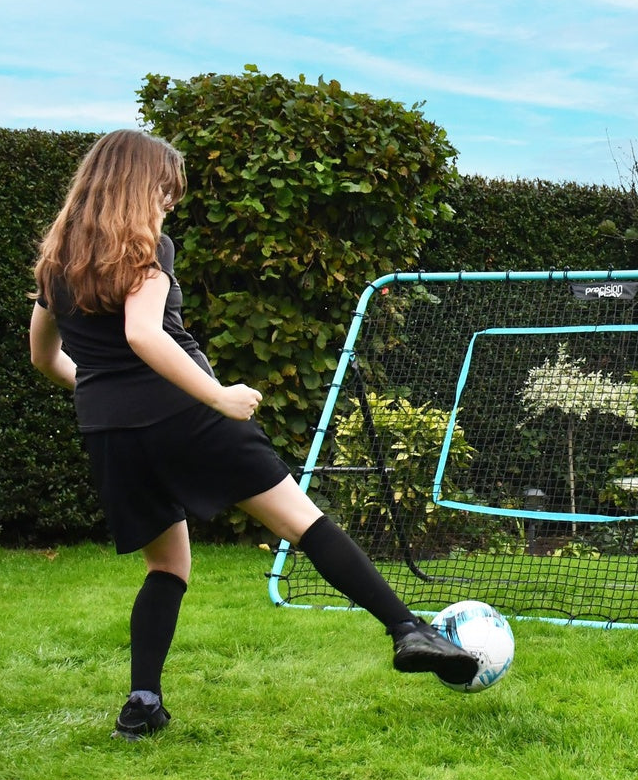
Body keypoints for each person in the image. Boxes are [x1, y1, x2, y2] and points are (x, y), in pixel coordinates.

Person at [29, 128, 475, 741]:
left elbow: (43, 358)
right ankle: (407, 630)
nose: (168, 205)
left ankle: (142, 702)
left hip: (108, 431)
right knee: (302, 519)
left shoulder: (58, 266)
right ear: (138, 187)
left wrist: (104, 393)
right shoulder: (146, 249)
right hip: (185, 414)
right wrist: (218, 395)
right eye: (164, 191)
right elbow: (143, 334)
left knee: (167, 565)